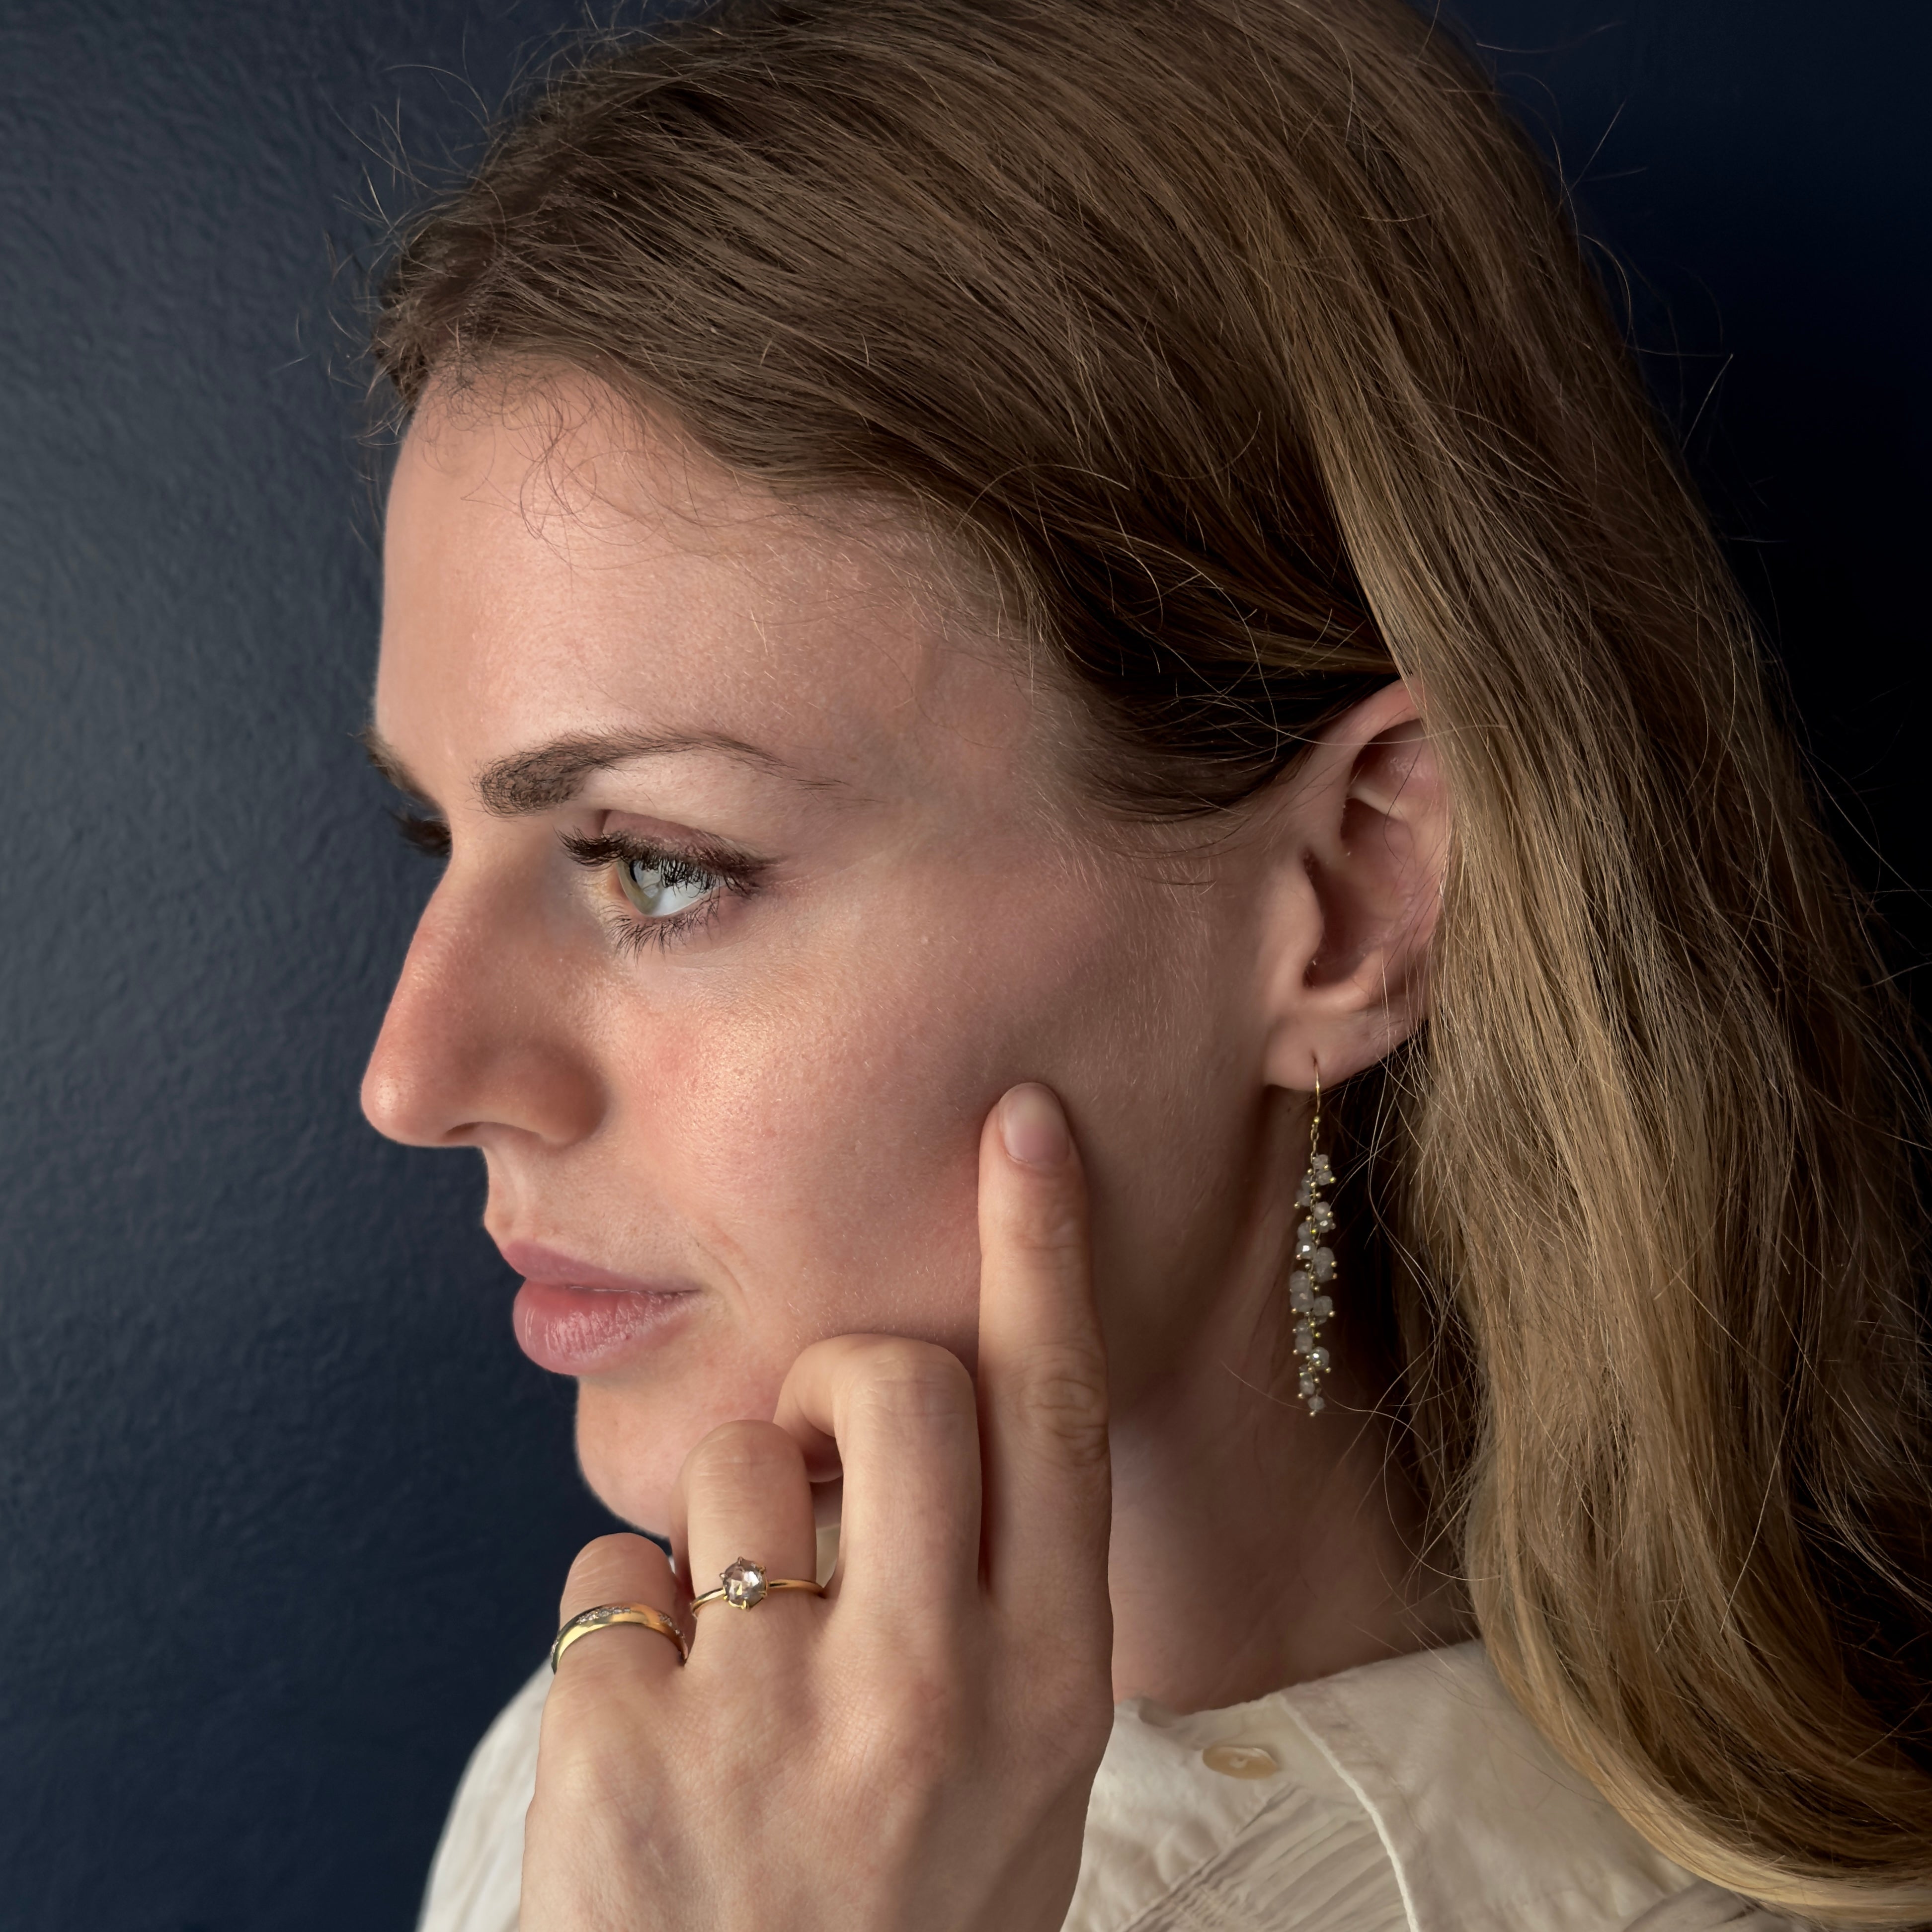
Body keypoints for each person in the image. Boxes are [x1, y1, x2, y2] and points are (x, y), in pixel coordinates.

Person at [355, 1, 1932, 1926]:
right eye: (447, 840)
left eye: (659, 869)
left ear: (1355, 895)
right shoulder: (606, 1779)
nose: (415, 1075)